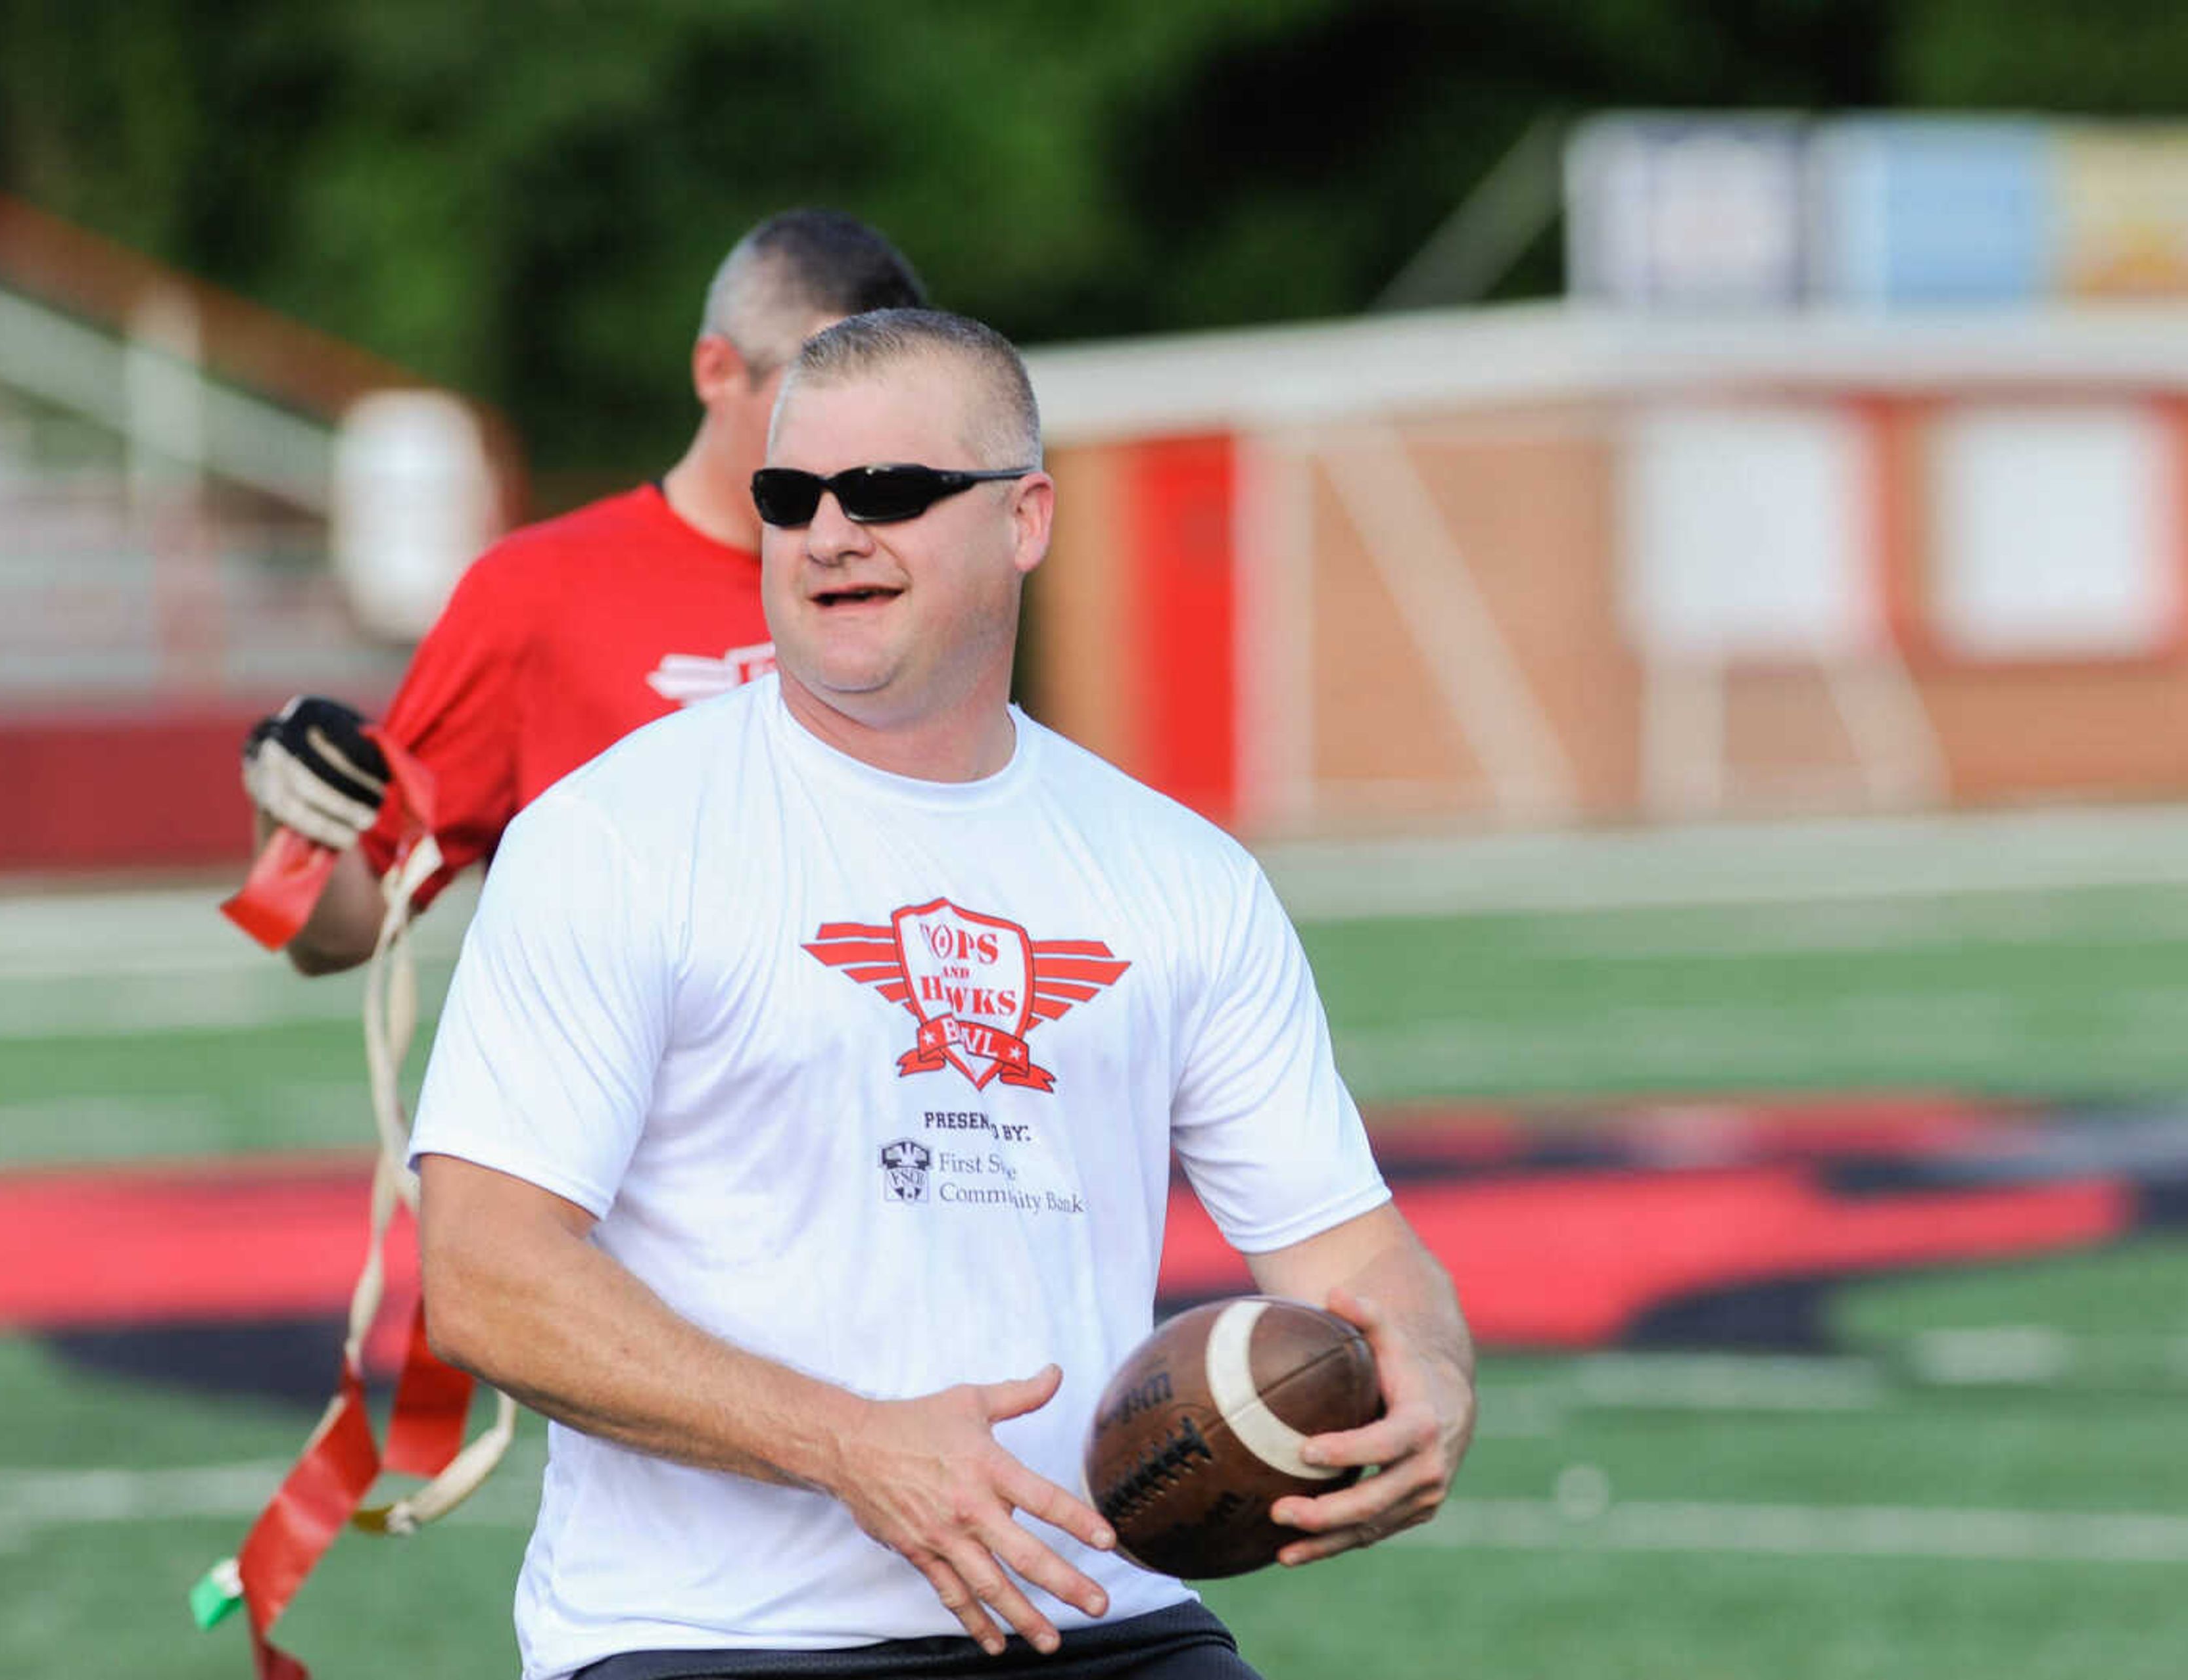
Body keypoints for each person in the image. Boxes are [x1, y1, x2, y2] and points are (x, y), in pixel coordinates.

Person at [407, 309, 1477, 1680]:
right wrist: (847, 1444)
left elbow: (1353, 1256)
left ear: (1026, 519)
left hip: (1100, 1618)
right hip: (711, 1642)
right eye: (791, 498)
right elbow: (486, 1275)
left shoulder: (1180, 873)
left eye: (892, 493)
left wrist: (1433, 1376)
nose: (832, 532)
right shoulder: (613, 836)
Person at [237, 210, 927, 972]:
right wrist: (293, 816)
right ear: (718, 371)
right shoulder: (536, 589)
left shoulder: (913, 579)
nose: (859, 436)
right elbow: (333, 933)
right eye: (820, 390)